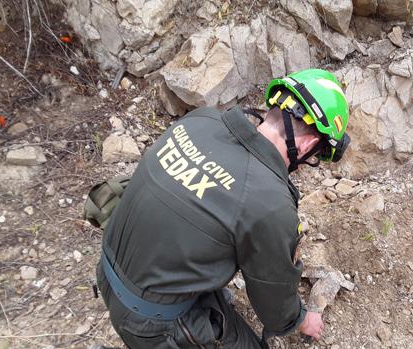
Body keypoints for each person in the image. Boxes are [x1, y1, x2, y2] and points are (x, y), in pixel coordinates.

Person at [96, 68, 351, 348]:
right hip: (148, 320)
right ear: (308, 145)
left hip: (111, 268)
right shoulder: (269, 202)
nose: (304, 165)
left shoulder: (202, 120)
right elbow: (275, 306)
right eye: (314, 157)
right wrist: (302, 319)